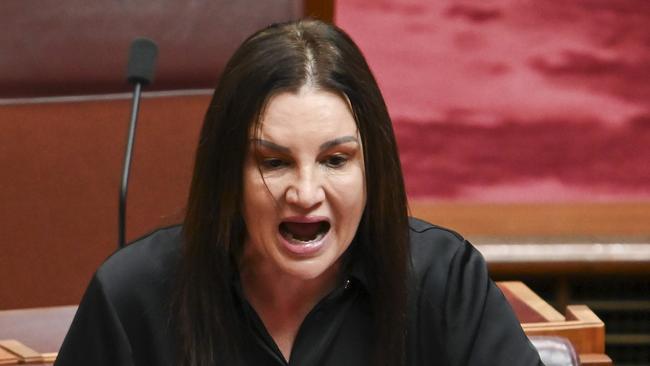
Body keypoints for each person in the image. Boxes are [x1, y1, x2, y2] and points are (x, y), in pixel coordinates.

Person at [55, 19, 542, 366]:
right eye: (274, 162)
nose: (306, 193)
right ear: (228, 172)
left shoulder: (443, 282)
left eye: (335, 160)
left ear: (374, 167)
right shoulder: (132, 297)